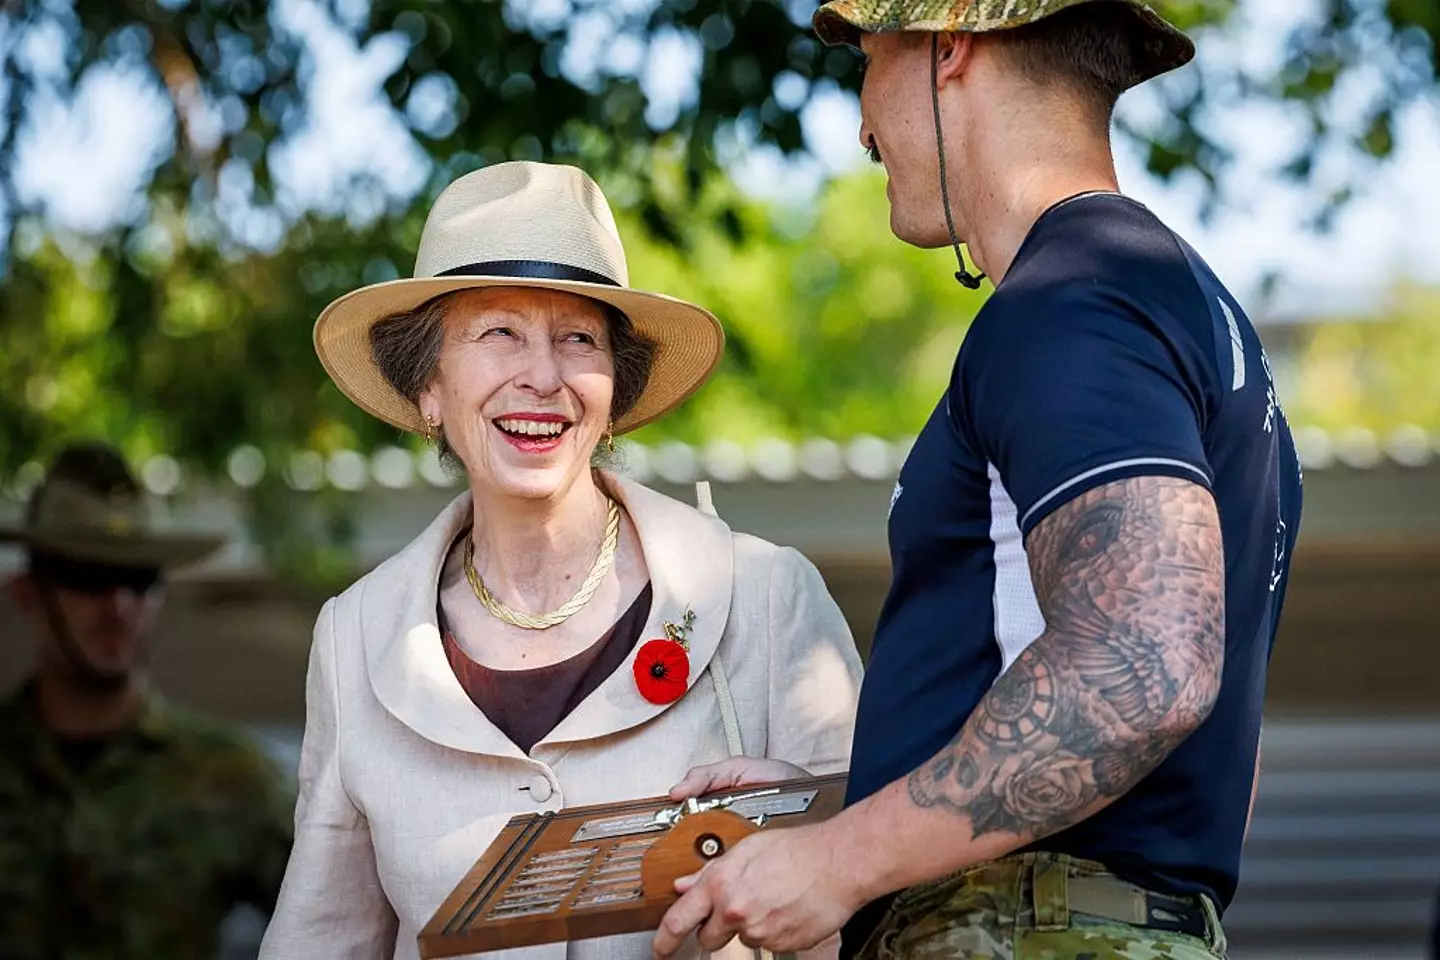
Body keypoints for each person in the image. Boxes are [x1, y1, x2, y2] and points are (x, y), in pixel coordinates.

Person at [652, 2, 1304, 959]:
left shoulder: (1069, 301)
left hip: (1024, 927)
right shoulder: (1178, 306)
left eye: (869, 62)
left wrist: (841, 859)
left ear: (947, 48)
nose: (862, 124)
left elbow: (1148, 670)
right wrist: (850, 802)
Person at [258, 161, 864, 960]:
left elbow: (884, 902)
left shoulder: (767, 598)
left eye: (578, 338)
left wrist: (808, 839)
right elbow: (321, 943)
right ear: (428, 389)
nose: (543, 377)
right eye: (498, 332)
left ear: (615, 389)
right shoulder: (355, 638)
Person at [0, 441, 295, 959]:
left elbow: (349, 930)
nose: (117, 606)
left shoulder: (227, 778)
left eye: (138, 578)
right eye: (89, 578)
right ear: (29, 593)